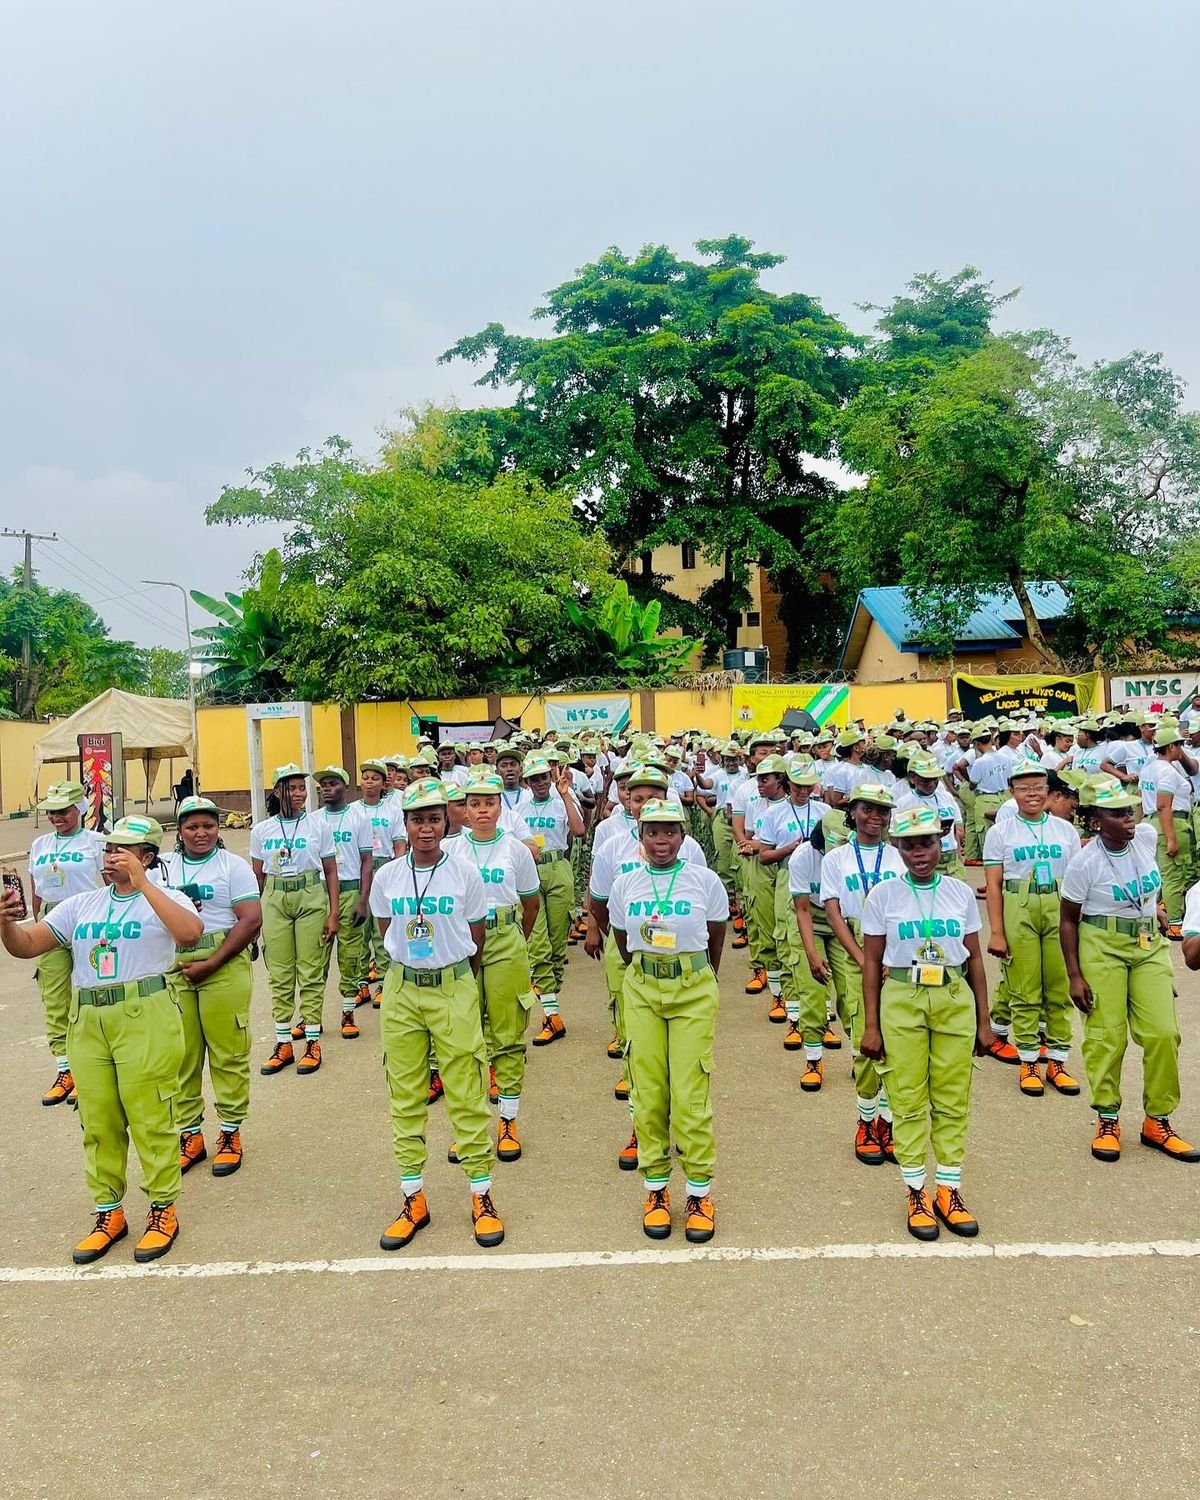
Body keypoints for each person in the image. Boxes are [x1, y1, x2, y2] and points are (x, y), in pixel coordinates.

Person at [1, 815, 204, 1264]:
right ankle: (109, 1212)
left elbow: (190, 935)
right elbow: (27, 945)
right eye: (109, 848)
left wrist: (143, 884)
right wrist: (4, 924)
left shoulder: (166, 897)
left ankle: (162, 1209)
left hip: (145, 1013)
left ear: (147, 857)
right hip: (89, 1018)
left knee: (151, 1116)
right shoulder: (82, 905)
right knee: (98, 1122)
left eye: (123, 850)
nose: (111, 857)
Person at [369, 779, 506, 1249]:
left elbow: (476, 935)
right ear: (405, 824)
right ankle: (413, 1199)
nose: (425, 828)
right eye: (416, 820)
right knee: (406, 1095)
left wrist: (455, 980)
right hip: (402, 990)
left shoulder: (464, 873)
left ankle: (481, 1196)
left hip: (453, 986)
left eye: (433, 819)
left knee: (467, 1091)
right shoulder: (388, 876)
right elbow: (388, 930)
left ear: (446, 822)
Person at [860, 805, 995, 1241]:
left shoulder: (959, 892)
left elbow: (975, 958)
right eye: (909, 846)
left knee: (953, 1096)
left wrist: (985, 1020)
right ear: (897, 848)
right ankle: (916, 1191)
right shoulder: (883, 895)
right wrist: (871, 1025)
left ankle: (949, 1189)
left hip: (953, 997)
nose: (919, 853)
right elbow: (872, 962)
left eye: (927, 844)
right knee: (907, 1096)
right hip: (903, 997)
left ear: (942, 844)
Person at [1059, 779, 1198, 1163]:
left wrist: (1153, 909)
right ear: (1095, 821)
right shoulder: (1084, 863)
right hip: (1101, 945)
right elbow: (1068, 920)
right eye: (1117, 813)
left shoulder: (1146, 838)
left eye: (1129, 809)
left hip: (1148, 945)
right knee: (1107, 1036)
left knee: (1163, 1032)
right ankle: (1107, 1117)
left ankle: (1158, 1120)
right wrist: (1074, 975)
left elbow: (1146, 890)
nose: (1129, 818)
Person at [609, 799, 728, 1242]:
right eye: (653, 832)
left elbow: (716, 933)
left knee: (690, 1093)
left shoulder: (704, 880)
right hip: (643, 988)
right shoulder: (626, 884)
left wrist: (700, 975)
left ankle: (698, 1193)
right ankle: (656, 1189)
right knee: (648, 1092)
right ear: (640, 836)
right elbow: (622, 937)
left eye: (670, 832)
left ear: (683, 835)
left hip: (692, 988)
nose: (662, 841)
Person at [163, 796, 263, 1177]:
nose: (201, 833)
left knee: (228, 1052)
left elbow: (250, 919)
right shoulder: (164, 869)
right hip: (177, 969)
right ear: (179, 831)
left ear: (218, 828)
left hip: (223, 964)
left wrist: (211, 963)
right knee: (181, 1055)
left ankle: (230, 1132)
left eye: (208, 825)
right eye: (192, 827)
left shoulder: (232, 866)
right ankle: (190, 1134)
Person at [448, 772, 541, 1160]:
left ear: (501, 807)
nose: (482, 810)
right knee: (465, 1037)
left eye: (489, 802)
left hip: (505, 941)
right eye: (475, 804)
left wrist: (515, 938)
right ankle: (470, 1127)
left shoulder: (516, 850)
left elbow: (531, 904)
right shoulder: (452, 849)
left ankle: (508, 1121)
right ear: (465, 810)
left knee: (507, 1035)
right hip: (463, 943)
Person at [982, 760, 1081, 1097]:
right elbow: (993, 885)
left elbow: (1077, 880)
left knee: (1058, 985)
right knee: (1025, 989)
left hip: (1058, 904)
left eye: (1038, 787)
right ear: (1012, 792)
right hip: (1019, 904)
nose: (1032, 794)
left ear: (1048, 791)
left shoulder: (1065, 830)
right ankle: (1028, 1062)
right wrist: (997, 931)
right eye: (1024, 788)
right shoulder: (1001, 832)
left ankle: (1057, 1061)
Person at [820, 784, 904, 1163]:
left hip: (894, 948)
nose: (875, 817)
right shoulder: (836, 858)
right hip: (855, 945)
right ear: (851, 812)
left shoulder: (898, 856)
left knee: (896, 1037)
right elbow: (833, 912)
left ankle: (887, 1120)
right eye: (867, 809)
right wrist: (862, 957)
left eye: (882, 810)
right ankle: (866, 1120)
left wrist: (891, 957)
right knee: (865, 1038)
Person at [250, 763, 340, 1078]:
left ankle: (312, 1041)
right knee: (280, 972)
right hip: (274, 898)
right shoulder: (261, 830)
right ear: (278, 791)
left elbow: (331, 870)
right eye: (292, 787)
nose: (299, 793)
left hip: (310, 895)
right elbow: (257, 877)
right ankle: (283, 1042)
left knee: (311, 969)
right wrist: (254, 919)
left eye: (302, 787)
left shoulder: (318, 826)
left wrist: (333, 912)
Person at [27, 779, 106, 1105]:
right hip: (51, 918)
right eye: (52, 811)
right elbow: (36, 888)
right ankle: (65, 1069)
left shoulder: (97, 841)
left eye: (64, 810)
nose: (57, 817)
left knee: (93, 991)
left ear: (80, 809)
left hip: (88, 916)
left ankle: (92, 1068)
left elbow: (111, 881)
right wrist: (37, 922)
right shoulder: (40, 844)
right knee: (54, 995)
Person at [518, 752, 585, 1045]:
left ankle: (549, 996)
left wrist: (565, 794)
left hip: (558, 868)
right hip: (530, 871)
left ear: (550, 776)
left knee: (558, 943)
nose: (539, 783)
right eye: (534, 779)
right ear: (527, 781)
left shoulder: (562, 801)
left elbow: (578, 830)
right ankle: (551, 1012)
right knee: (538, 944)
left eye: (543, 777)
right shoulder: (520, 808)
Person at [315, 766, 376, 1037]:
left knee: (350, 956)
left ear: (346, 787)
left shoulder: (359, 818)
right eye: (323, 785)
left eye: (333, 783)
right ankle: (311, 1016)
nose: (326, 788)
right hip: (321, 893)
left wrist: (363, 900)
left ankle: (348, 1012)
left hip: (350, 889)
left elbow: (366, 861)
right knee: (316, 956)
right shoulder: (314, 820)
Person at [1138, 726, 1196, 938]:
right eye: (1179, 745)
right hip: (1170, 823)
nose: (1181, 749)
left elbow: (1141, 800)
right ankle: (1174, 924)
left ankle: (1154, 917)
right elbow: (1164, 805)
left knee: (1156, 874)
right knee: (1173, 875)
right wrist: (1171, 838)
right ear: (1171, 747)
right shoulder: (1166, 771)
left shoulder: (1148, 769)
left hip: (1151, 822)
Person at [357, 757, 406, 1004]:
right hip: (359, 870)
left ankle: (385, 983)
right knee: (359, 930)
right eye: (366, 777)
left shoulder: (392, 811)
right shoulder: (353, 811)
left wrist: (398, 871)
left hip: (384, 868)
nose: (370, 782)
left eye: (375, 778)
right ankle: (360, 983)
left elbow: (399, 844)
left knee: (382, 929)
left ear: (383, 782)